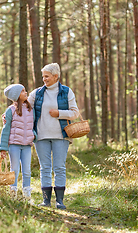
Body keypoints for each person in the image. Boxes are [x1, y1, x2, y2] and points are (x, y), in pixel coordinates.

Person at [27, 63, 79, 209]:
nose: (44, 79)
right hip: (41, 136)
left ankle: (60, 201)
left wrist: (59, 113)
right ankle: (46, 200)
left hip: (61, 136)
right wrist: (9, 114)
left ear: (56, 76)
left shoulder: (67, 92)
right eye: (43, 76)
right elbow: (24, 108)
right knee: (45, 167)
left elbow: (75, 113)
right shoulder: (36, 93)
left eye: (47, 76)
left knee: (59, 167)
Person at [0, 84, 36, 201]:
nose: (26, 93)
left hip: (26, 146)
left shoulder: (31, 109)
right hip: (14, 145)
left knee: (27, 170)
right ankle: (13, 194)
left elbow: (34, 125)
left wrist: (34, 135)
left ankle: (27, 196)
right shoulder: (10, 110)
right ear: (16, 95)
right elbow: (6, 130)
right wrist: (3, 148)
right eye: (23, 91)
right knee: (14, 169)